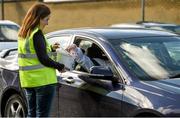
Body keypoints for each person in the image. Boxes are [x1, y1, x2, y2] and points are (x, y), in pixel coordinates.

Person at [18, 3, 65, 117]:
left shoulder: (24, 33)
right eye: (46, 19)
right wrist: (60, 66)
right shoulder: (37, 34)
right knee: (42, 115)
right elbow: (43, 59)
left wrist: (51, 48)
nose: (47, 23)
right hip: (43, 81)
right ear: (38, 18)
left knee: (31, 114)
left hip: (28, 81)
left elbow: (33, 53)